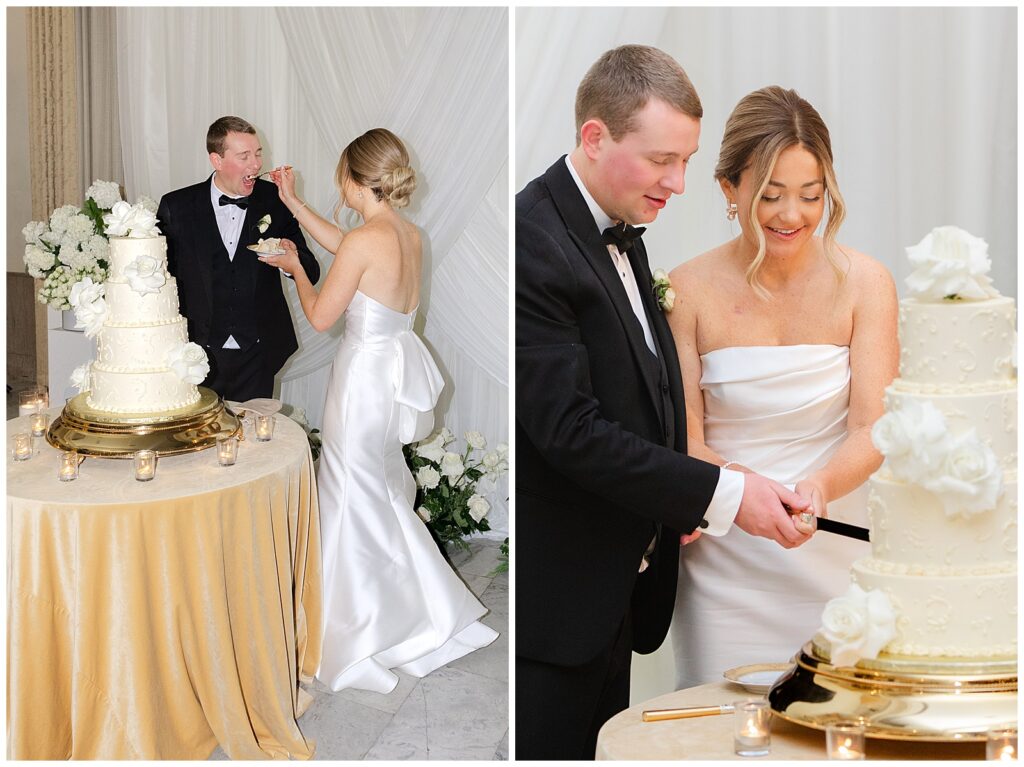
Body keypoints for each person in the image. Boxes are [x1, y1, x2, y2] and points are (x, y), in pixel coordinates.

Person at [515, 46, 814, 761]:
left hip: (615, 587)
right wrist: (721, 493)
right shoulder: (534, 238)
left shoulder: (619, 227)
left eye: (686, 160)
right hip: (558, 601)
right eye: (661, 160)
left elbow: (642, 393)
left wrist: (675, 495)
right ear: (595, 137)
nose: (678, 183)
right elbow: (572, 431)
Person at [667, 86, 898, 689]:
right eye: (770, 195)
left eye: (810, 195)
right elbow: (683, 437)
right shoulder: (684, 290)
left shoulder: (866, 283)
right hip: (725, 559)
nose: (791, 215)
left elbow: (873, 427)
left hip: (835, 548)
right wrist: (743, 492)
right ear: (728, 189)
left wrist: (817, 488)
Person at [261, 128, 498, 693]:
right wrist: (293, 204)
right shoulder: (407, 234)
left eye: (340, 173)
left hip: (365, 379)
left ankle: (357, 628)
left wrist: (294, 268)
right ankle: (412, 611)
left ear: (352, 177)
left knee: (349, 490)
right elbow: (347, 249)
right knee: (382, 491)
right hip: (388, 379)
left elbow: (321, 316)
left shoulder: (365, 241)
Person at [157, 116, 320, 402]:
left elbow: (310, 269)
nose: (256, 165)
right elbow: (161, 282)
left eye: (258, 154)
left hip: (259, 354)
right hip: (196, 355)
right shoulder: (177, 206)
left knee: (254, 444)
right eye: (244, 156)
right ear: (216, 160)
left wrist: (289, 263)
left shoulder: (276, 199)